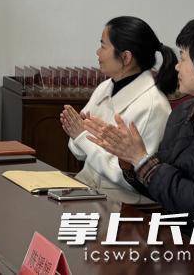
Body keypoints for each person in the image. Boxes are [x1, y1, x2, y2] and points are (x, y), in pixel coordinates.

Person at [85, 18, 194, 265]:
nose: (177, 66)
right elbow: (163, 187)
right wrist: (129, 163)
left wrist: (141, 159)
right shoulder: (184, 112)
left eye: (183, 58)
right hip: (179, 237)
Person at [60, 16, 175, 204]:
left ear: (126, 57)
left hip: (123, 203)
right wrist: (80, 136)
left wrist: (82, 136)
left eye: (103, 46)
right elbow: (79, 152)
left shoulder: (153, 105)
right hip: (87, 189)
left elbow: (129, 178)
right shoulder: (105, 87)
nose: (98, 52)